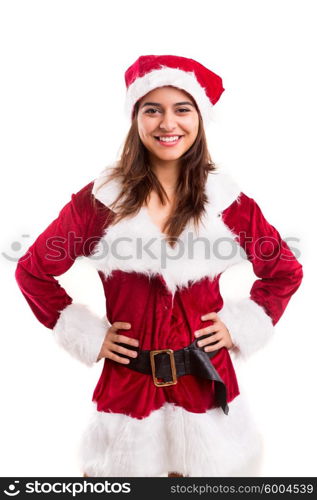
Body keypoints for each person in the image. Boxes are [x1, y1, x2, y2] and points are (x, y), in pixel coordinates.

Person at [15, 54, 303, 478]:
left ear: (199, 118)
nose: (168, 123)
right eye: (153, 110)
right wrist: (90, 335)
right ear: (137, 119)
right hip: (128, 395)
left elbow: (284, 270)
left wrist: (238, 324)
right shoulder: (100, 202)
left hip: (206, 389)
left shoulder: (226, 201)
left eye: (182, 109)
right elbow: (32, 271)